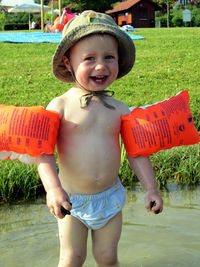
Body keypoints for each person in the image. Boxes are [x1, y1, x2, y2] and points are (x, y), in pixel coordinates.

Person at [36, 10, 163, 267]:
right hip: (71, 199)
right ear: (68, 62)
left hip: (110, 198)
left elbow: (136, 152)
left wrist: (151, 188)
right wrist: (53, 190)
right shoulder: (59, 106)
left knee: (107, 258)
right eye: (89, 58)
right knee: (72, 259)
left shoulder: (119, 109)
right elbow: (43, 152)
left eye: (109, 57)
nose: (101, 66)